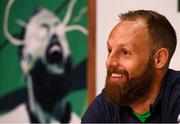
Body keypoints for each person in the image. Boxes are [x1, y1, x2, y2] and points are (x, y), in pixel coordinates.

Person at [81, 10, 180, 123]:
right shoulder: (106, 105)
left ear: (159, 59)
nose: (110, 61)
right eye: (110, 50)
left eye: (125, 52)